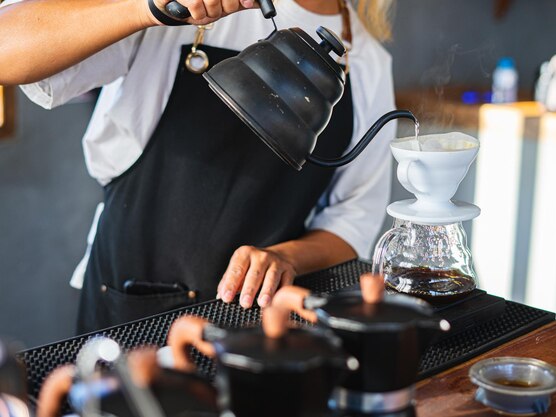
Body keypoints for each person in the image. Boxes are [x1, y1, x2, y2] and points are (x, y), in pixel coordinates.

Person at [0, 0, 397, 333]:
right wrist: (150, 6)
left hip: (257, 322)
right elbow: (7, 49)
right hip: (134, 302)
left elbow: (352, 220)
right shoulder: (195, 7)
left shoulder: (367, 61)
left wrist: (289, 257)